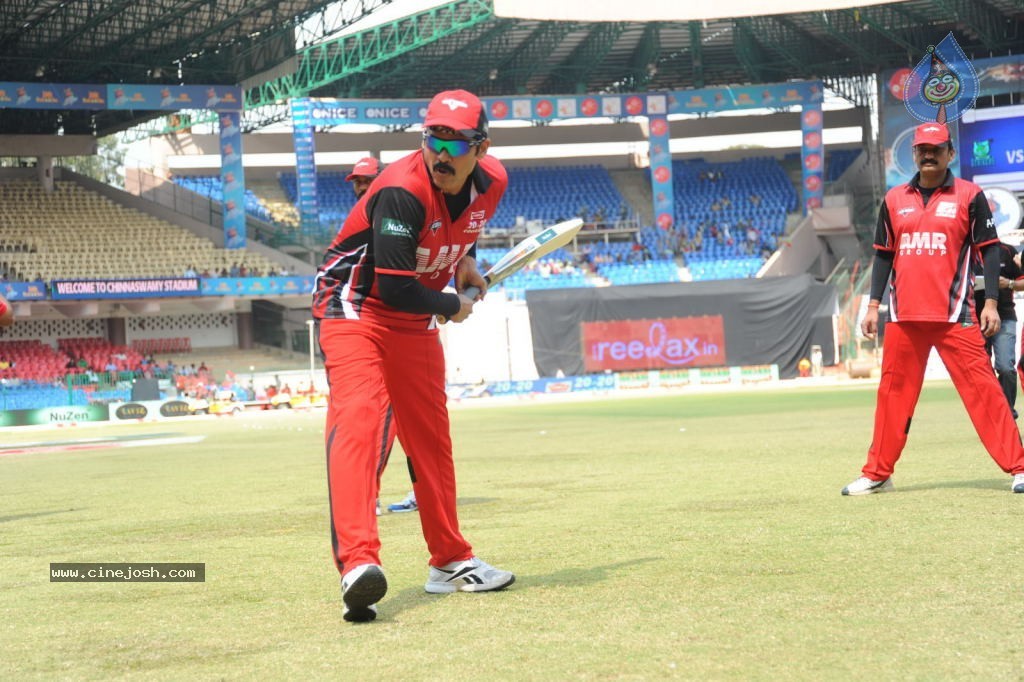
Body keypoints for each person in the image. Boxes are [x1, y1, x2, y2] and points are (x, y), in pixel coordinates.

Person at [313, 88, 515, 623]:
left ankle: (450, 562)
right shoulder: (402, 189)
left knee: (430, 436)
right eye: (434, 140)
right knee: (361, 417)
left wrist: (467, 261)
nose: (442, 154)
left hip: (412, 315)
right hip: (356, 306)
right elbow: (398, 286)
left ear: (481, 146)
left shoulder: (493, 181)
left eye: (457, 143)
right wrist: (451, 304)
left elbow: (458, 230)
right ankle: (357, 564)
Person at [842, 122, 1024, 496]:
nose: (929, 154)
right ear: (914, 153)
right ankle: (878, 473)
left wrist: (990, 301)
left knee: (986, 393)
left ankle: (1019, 467)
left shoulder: (970, 195)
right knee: (892, 397)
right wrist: (873, 305)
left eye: (936, 149)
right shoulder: (893, 200)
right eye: (922, 148)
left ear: (949, 154)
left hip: (954, 316)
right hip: (904, 318)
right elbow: (882, 257)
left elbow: (989, 249)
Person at [345, 155, 415, 514]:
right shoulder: (362, 222)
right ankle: (420, 491)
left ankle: (367, 496)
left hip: (396, 330)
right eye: (356, 181)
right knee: (396, 420)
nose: (359, 187)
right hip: (375, 327)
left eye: (366, 180)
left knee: (387, 419)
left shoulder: (396, 216)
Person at [972, 241, 1024, 418]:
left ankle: (1007, 412)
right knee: (981, 370)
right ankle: (991, 411)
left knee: (1006, 367)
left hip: (1005, 316)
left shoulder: (1007, 251)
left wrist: (1008, 284)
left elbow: (1022, 281)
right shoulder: (964, 251)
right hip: (974, 319)